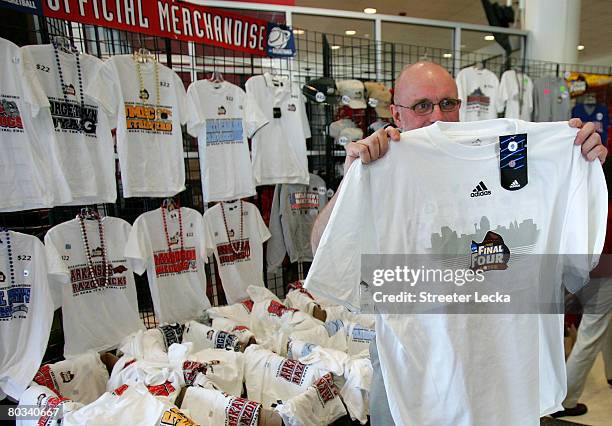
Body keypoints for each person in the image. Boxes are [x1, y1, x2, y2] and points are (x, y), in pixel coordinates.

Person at [309, 61, 608, 425]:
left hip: (502, 368)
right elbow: (323, 251)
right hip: (419, 371)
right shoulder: (386, 163)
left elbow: (573, 259)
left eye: (448, 103)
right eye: (422, 105)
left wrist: (575, 157)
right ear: (395, 113)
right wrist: (352, 179)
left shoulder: (516, 153)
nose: (438, 116)